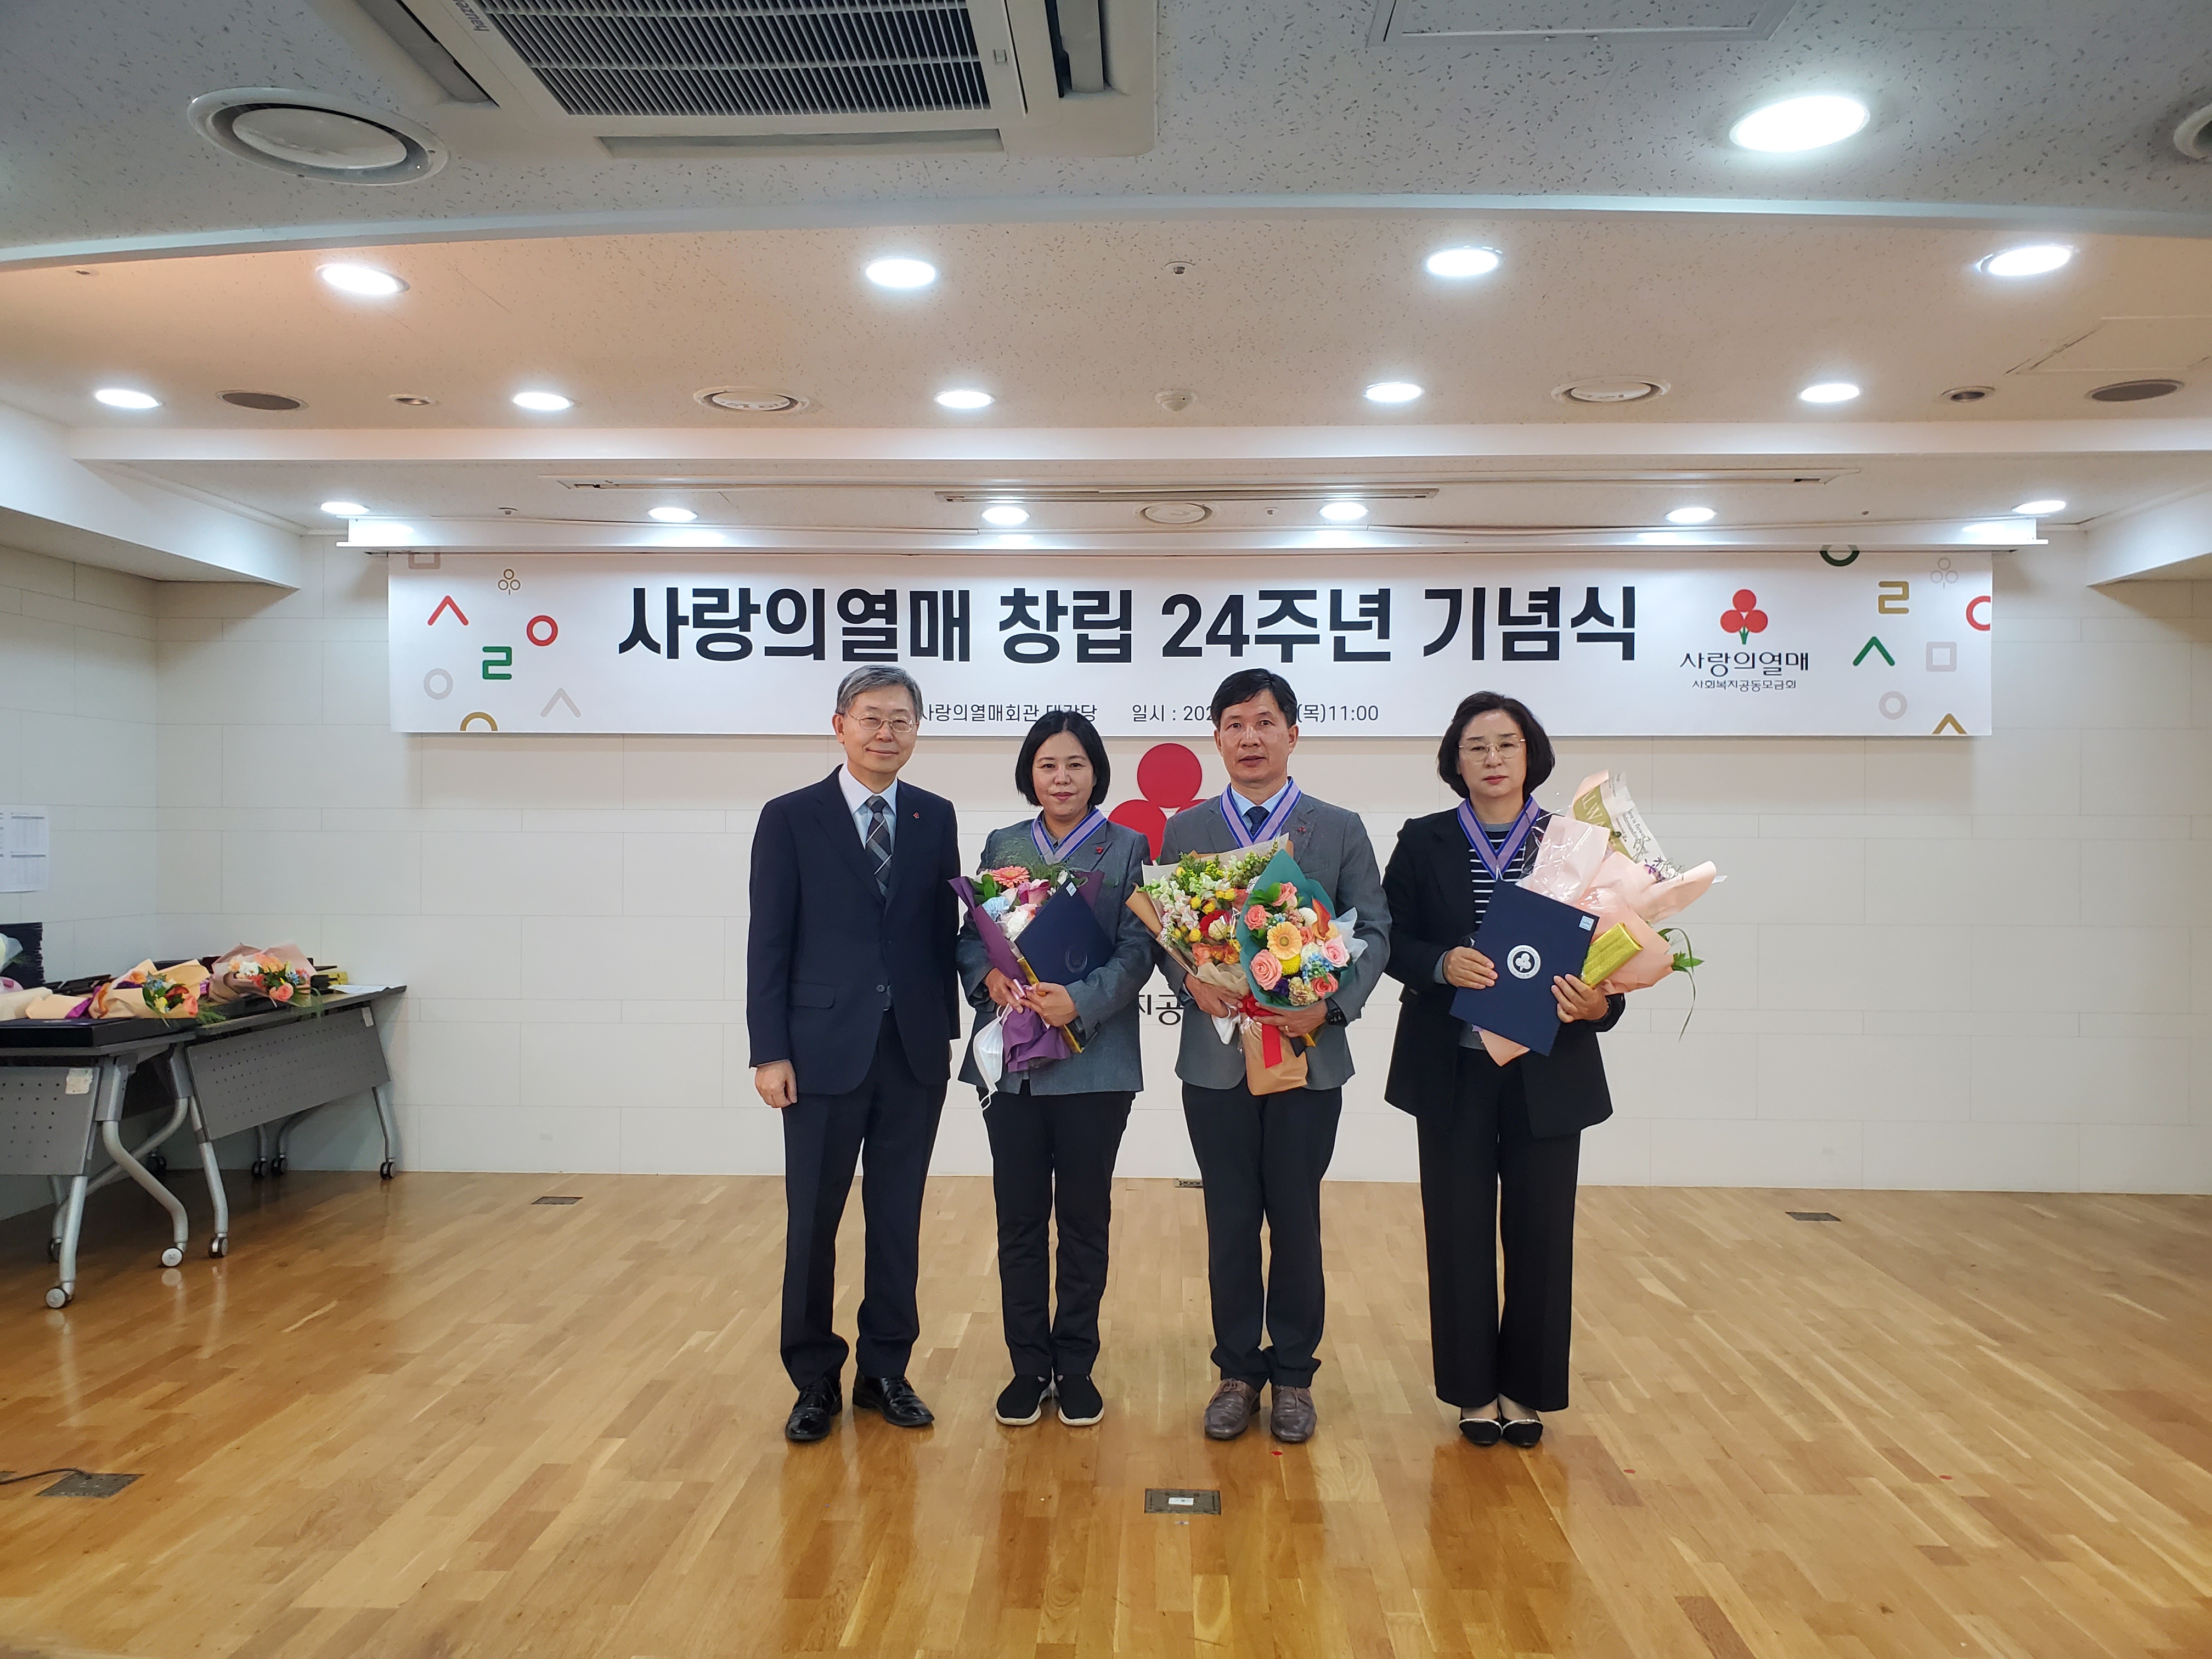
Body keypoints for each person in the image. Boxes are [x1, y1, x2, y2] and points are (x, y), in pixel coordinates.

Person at [1380, 691, 1624, 1449]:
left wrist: (1599, 1005)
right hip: (1452, 1065)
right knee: (1456, 1231)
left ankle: (1527, 1390)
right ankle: (1472, 1393)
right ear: (1455, 761)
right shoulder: (1424, 840)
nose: (1492, 758)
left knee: (1542, 1232)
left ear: (1531, 755)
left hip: (1548, 1067)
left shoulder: (1577, 844)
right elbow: (1389, 939)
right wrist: (1441, 962)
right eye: (1477, 746)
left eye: (1507, 744)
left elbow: (1613, 951)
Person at [1156, 669, 1390, 1444]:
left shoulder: (1339, 827)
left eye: (1264, 723)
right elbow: (1164, 932)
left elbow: (1375, 930)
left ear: (1293, 733)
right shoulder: (1187, 829)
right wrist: (1190, 981)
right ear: (1216, 738)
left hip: (1308, 1054)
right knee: (1229, 1219)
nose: (1249, 738)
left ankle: (1293, 1376)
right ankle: (1235, 1372)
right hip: (1218, 1057)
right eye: (1234, 724)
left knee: (1295, 1217)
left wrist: (1332, 1004)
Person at [747, 665, 962, 1443]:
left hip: (912, 1052)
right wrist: (769, 1050)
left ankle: (884, 1370)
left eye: (901, 720)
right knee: (814, 1221)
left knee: (897, 1219)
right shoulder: (790, 817)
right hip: (819, 1054)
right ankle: (813, 1378)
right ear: (839, 726)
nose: (885, 733)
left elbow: (942, 934)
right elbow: (768, 940)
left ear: (917, 731)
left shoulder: (935, 816)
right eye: (871, 718)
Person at [956, 711, 1153, 1429]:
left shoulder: (1127, 846)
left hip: (1094, 1063)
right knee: (1018, 1218)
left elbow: (1139, 949)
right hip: (1013, 1064)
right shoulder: (1004, 844)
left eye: (1075, 764)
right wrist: (989, 978)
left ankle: (1075, 1365)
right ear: (1029, 774)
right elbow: (971, 937)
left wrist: (1083, 1001)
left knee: (1083, 1217)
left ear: (1096, 772)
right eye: (1047, 765)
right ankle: (1027, 1366)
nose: (1061, 778)